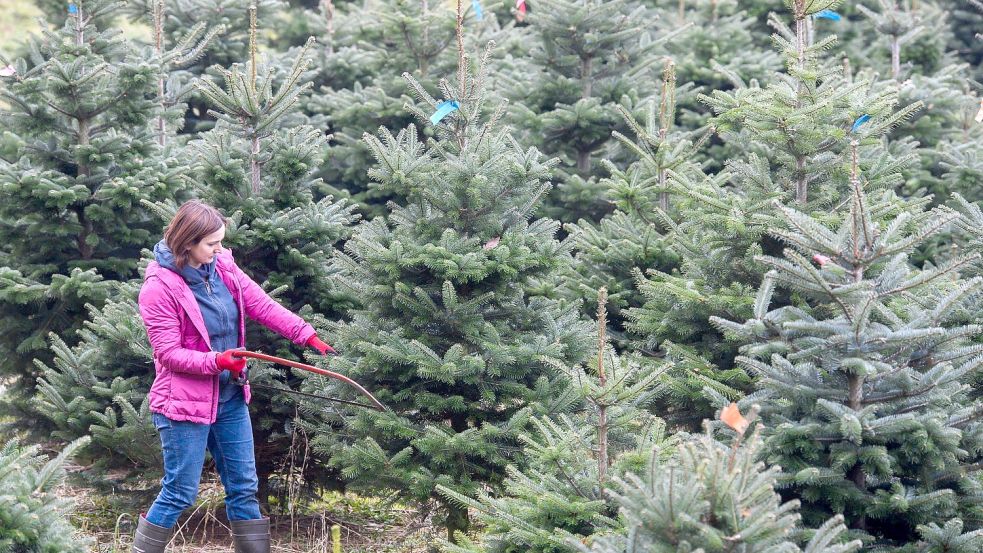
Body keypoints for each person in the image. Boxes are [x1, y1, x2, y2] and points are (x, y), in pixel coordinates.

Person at [133, 200, 336, 553]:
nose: (218, 249)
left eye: (219, 242)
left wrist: (306, 334)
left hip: (228, 399)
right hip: (183, 405)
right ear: (187, 242)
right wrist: (217, 362)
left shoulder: (222, 265)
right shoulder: (159, 287)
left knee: (243, 487)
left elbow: (261, 304)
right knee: (180, 491)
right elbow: (168, 354)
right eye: (211, 243)